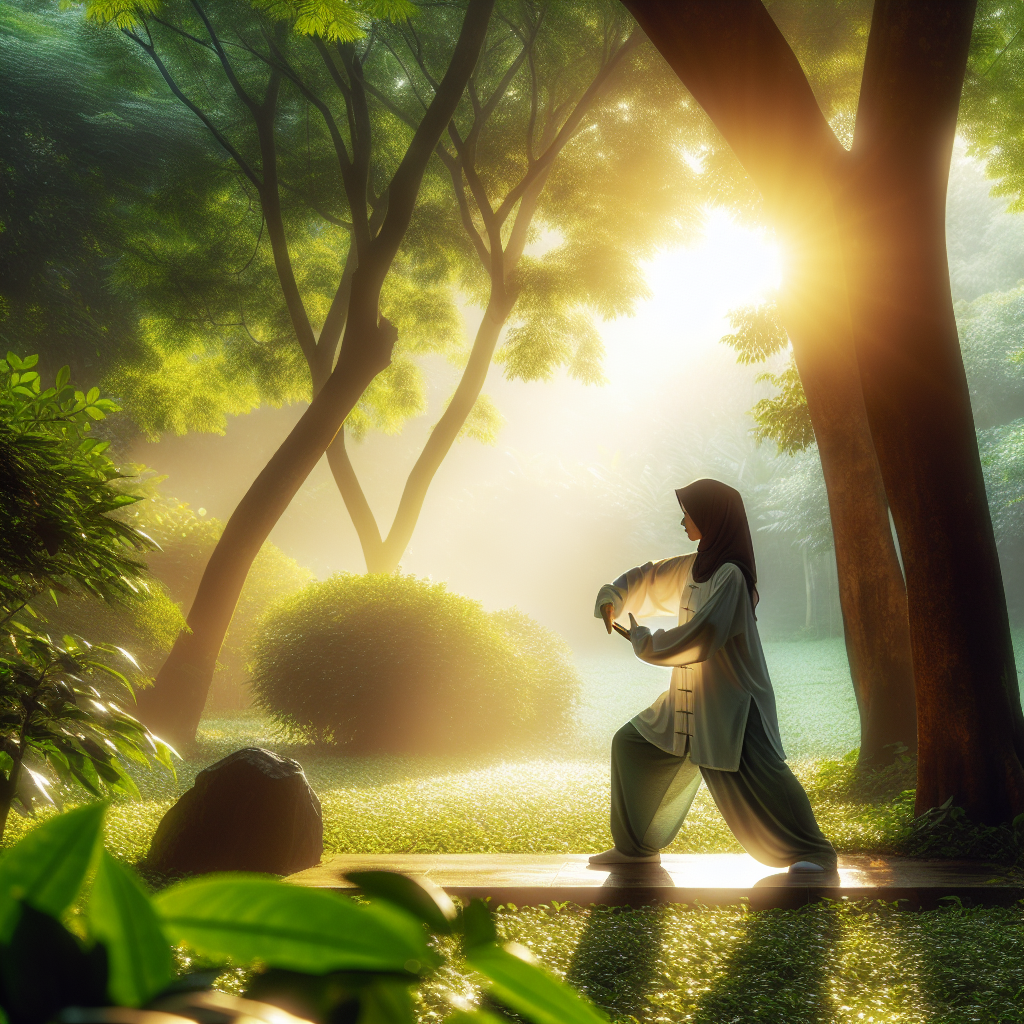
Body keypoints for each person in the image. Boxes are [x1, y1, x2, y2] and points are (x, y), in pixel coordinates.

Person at [591, 478, 837, 873]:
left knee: (766, 776)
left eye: (688, 514)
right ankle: (635, 850)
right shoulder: (695, 565)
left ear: (711, 517)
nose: (683, 522)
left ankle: (817, 854)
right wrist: (612, 597)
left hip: (732, 702)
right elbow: (650, 578)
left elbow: (704, 636)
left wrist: (646, 643)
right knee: (631, 745)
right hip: (687, 699)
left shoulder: (731, 576)